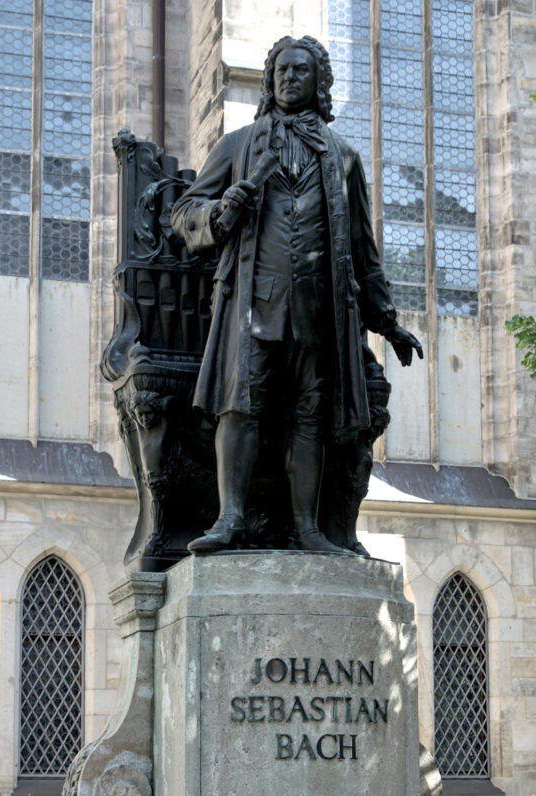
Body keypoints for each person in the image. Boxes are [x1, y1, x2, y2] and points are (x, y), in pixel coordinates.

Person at [171, 35, 422, 554]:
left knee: (312, 413)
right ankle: (231, 519)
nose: (289, 78)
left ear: (318, 83)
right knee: (240, 407)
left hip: (318, 310)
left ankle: (308, 528)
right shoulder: (239, 146)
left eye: (300, 71)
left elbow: (362, 249)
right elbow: (185, 212)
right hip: (251, 303)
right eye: (281, 70)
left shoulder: (344, 159)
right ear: (270, 80)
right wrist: (222, 213)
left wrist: (387, 320)